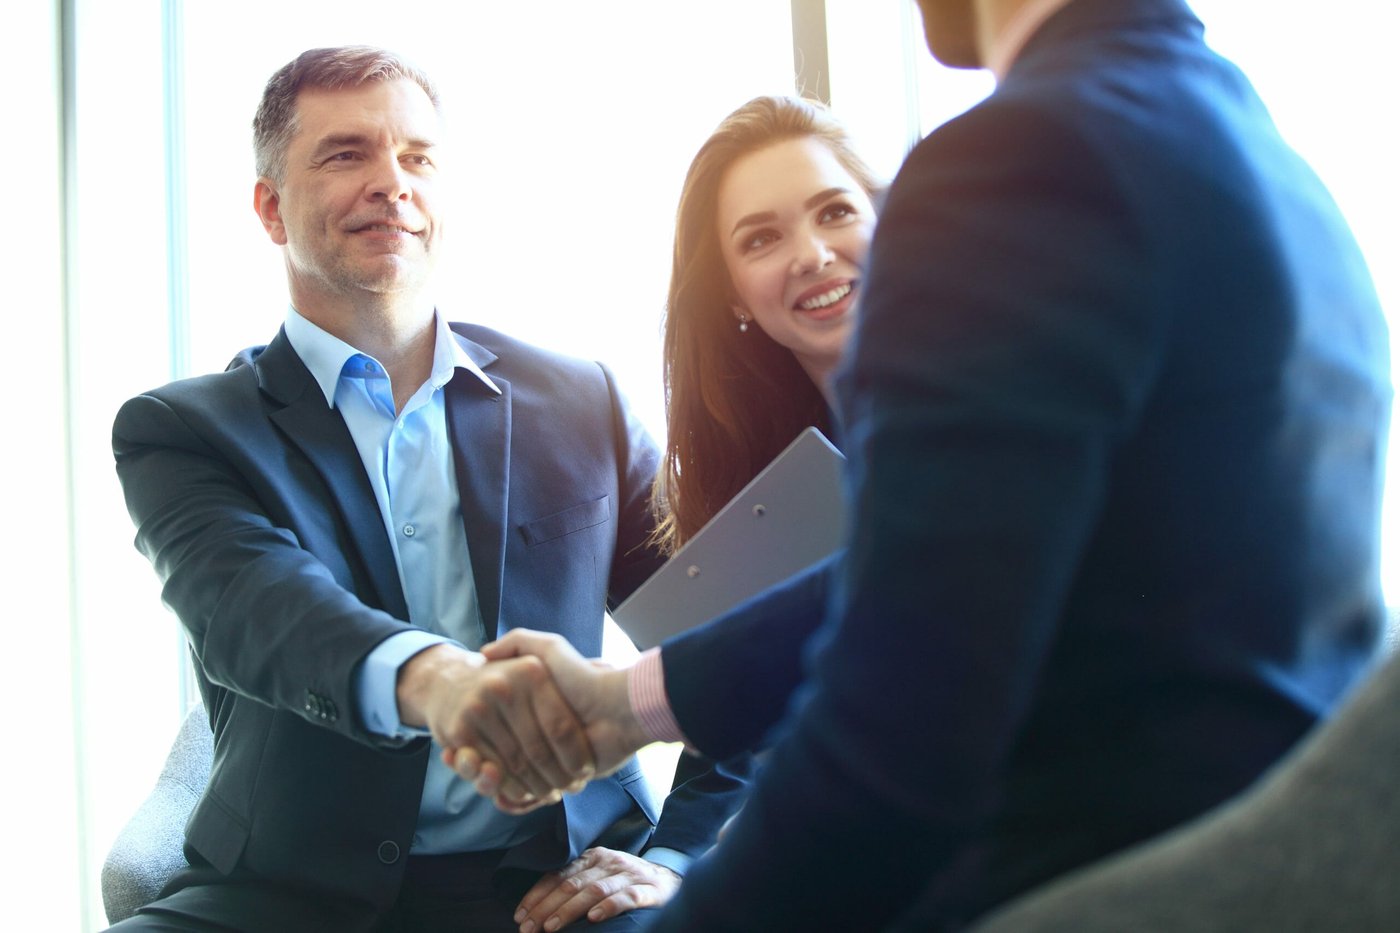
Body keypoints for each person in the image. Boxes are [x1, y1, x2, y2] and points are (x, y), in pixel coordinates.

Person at [472, 0, 1392, 929]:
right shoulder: (1245, 139)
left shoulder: (1020, 158)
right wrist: (624, 705)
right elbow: (925, 580)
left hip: (1123, 867)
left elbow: (907, 690)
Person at [108, 46, 748, 932]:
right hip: (291, 891)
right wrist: (439, 681)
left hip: (566, 882)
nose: (391, 183)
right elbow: (263, 611)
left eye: (418, 157)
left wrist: (679, 855)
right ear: (269, 208)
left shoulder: (582, 400)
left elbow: (735, 645)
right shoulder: (183, 432)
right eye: (346, 155)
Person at [650, 94, 879, 554]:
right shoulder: (751, 501)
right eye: (762, 239)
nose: (813, 256)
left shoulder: (1013, 392)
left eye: (835, 212)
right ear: (733, 296)